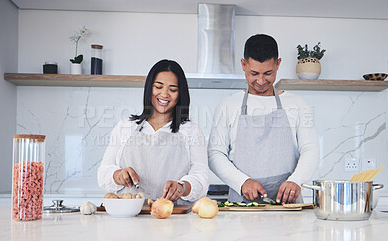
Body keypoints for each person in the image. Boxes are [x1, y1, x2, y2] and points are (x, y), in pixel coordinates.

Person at [208, 34, 320, 204]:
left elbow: (310, 148)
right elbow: (215, 154)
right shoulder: (227, 106)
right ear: (243, 65)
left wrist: (296, 180)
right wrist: (242, 182)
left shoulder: (297, 104)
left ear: (278, 64)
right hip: (241, 205)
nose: (261, 81)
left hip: (287, 207)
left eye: (268, 73)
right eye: (254, 73)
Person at [98, 59, 209, 204]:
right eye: (158, 86)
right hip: (129, 221)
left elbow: (201, 178)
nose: (164, 94)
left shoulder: (191, 131)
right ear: (149, 88)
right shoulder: (125, 127)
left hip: (174, 221)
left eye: (173, 89)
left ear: (180, 94)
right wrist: (117, 175)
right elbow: (103, 173)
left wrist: (182, 187)